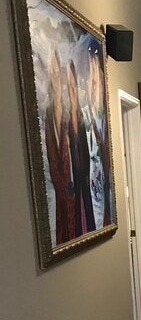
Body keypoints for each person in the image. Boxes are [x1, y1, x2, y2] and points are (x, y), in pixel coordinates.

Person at [44, 48, 74, 244]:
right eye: (52, 74)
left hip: (72, 202)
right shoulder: (46, 117)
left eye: (57, 74)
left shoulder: (69, 117)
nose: (55, 79)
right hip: (57, 204)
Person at [67, 59, 95, 237]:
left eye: (73, 85)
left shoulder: (84, 120)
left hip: (86, 187)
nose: (72, 91)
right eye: (68, 86)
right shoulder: (66, 123)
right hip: (75, 190)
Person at [84, 42, 111, 228]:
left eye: (98, 77)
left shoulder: (102, 119)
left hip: (102, 195)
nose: (94, 84)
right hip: (92, 198)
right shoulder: (86, 116)